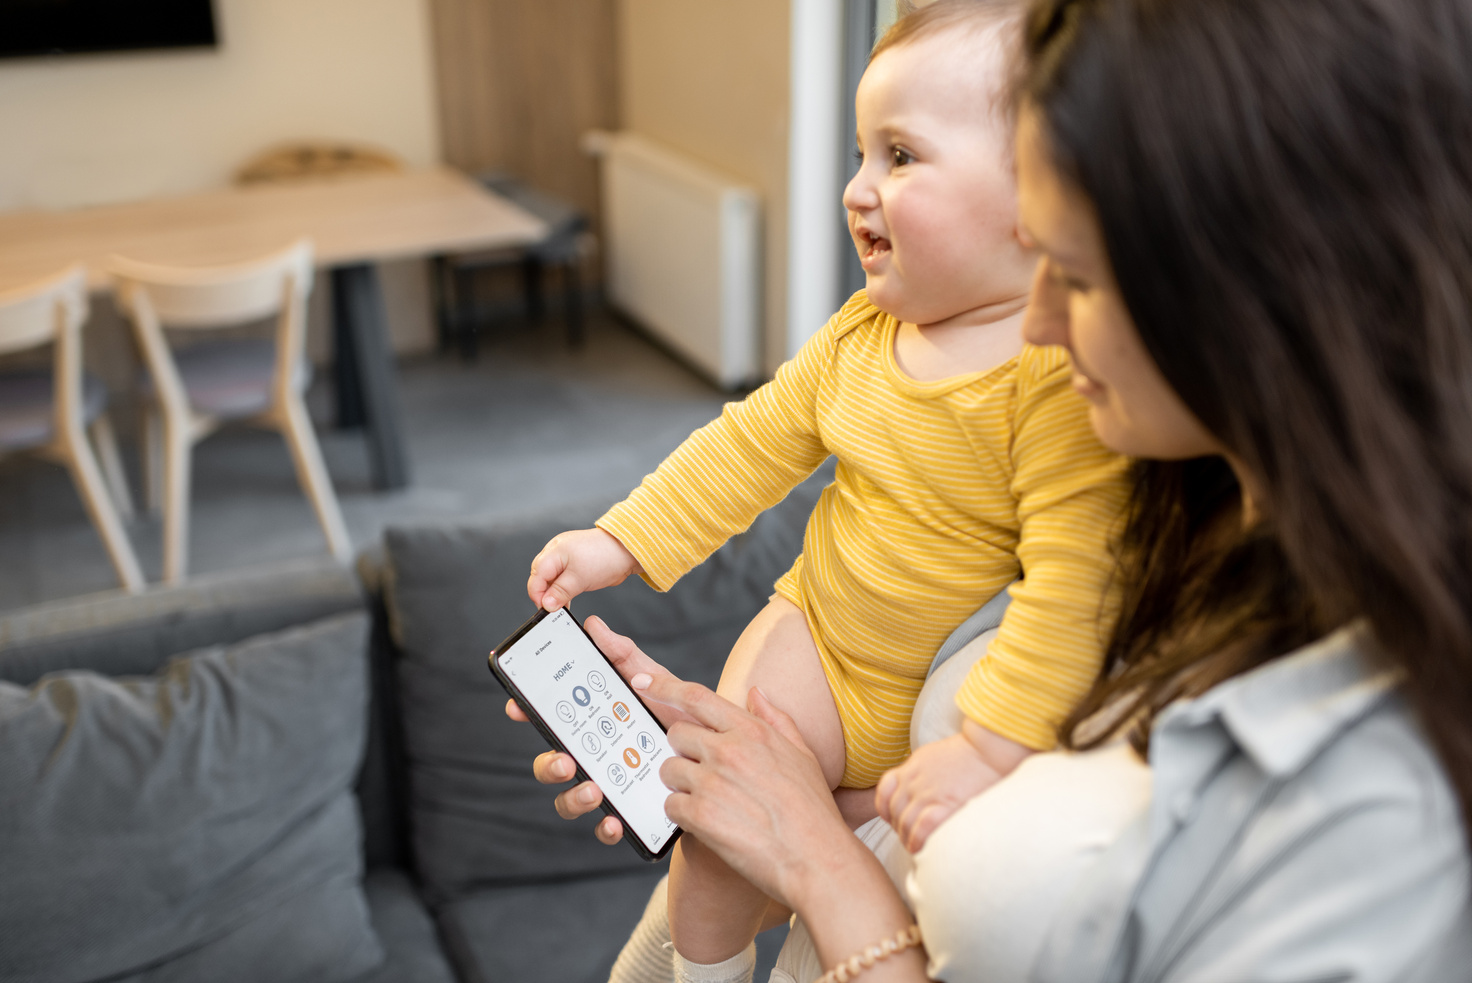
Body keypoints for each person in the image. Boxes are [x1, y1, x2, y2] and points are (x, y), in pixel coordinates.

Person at [517, 0, 1472, 978]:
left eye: (1075, 270)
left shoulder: (1366, 792)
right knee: (697, 861)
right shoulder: (1160, 493)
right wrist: (744, 797)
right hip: (819, 668)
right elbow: (746, 445)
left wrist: (812, 842)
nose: (1042, 325)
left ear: (1246, 278)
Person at [522, 3, 1130, 981]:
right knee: (712, 838)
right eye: (858, 154)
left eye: (899, 156)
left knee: (818, 867)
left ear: (1038, 188)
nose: (855, 190)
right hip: (814, 644)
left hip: (933, 709)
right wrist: (618, 539)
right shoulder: (859, 334)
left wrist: (986, 748)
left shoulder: (1058, 376)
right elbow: (745, 446)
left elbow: (1075, 583)